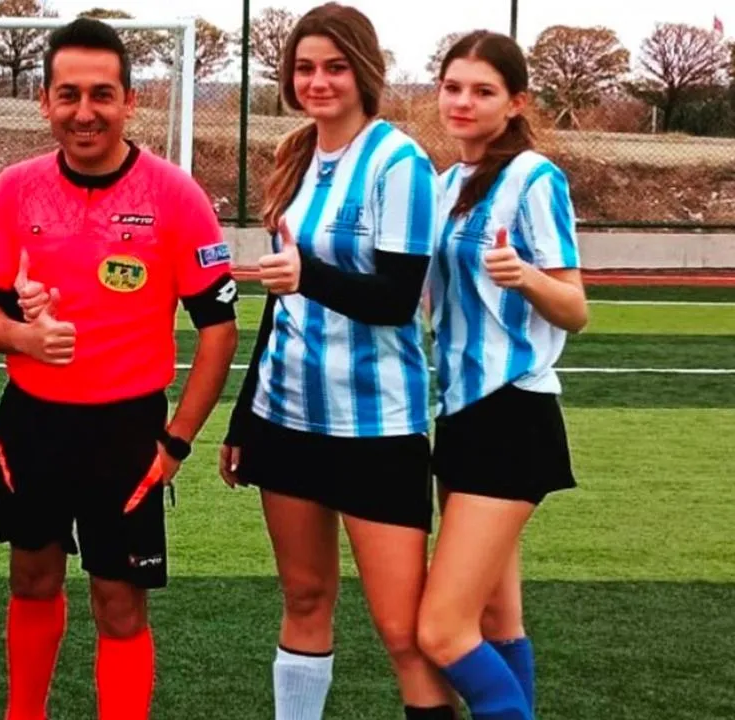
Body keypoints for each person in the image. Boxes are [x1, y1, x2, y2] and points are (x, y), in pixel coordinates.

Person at [0, 17, 240, 720]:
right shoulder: (14, 189)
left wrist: (176, 442)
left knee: (119, 604)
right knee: (31, 580)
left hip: (127, 432)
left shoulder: (175, 195)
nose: (83, 112)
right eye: (68, 94)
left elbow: (219, 329)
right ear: (44, 101)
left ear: (130, 101)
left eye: (101, 94)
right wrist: (22, 337)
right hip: (32, 424)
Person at [221, 4, 457, 719]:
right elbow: (281, 305)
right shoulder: (296, 158)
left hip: (376, 428)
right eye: (304, 68)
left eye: (334, 67)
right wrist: (244, 416)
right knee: (304, 598)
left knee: (403, 631)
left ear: (364, 72)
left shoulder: (399, 162)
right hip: (286, 418)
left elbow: (395, 300)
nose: (318, 81)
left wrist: (309, 277)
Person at [418, 30, 587, 720]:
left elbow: (575, 309)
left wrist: (526, 277)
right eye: (453, 87)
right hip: (458, 413)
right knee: (495, 619)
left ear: (515, 103)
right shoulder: (443, 185)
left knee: (440, 631)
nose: (463, 102)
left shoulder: (534, 178)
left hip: (512, 413)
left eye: (483, 91)